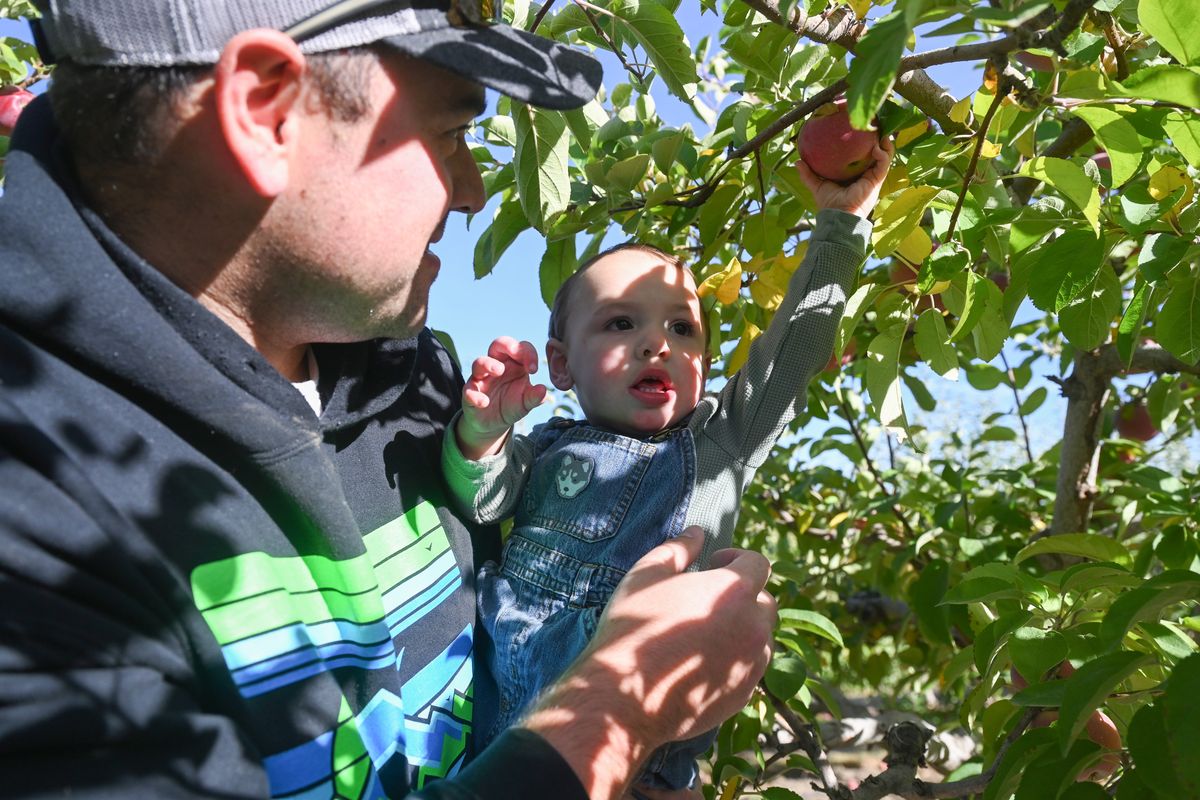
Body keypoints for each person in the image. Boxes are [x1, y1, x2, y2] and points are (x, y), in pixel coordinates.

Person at [0, 1, 778, 798]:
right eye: (450, 134)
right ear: (267, 112)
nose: (475, 190)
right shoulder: (34, 528)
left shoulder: (419, 387)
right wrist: (613, 718)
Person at [442, 146, 893, 798]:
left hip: (638, 767)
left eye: (683, 328)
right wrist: (482, 434)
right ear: (562, 367)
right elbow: (482, 501)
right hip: (500, 754)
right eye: (621, 323)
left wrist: (842, 227)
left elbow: (795, 350)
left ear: (704, 365)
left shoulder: (720, 448)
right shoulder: (544, 448)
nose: (659, 344)